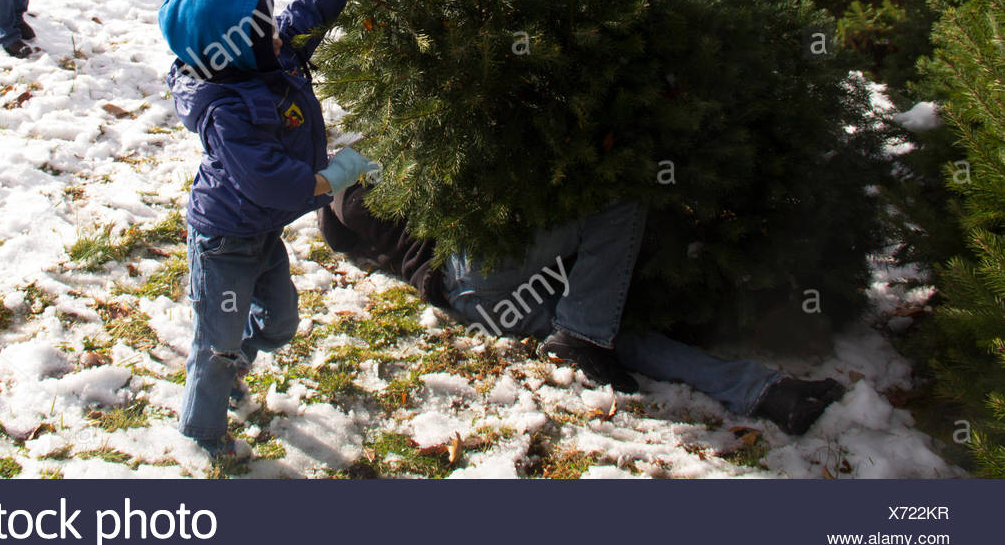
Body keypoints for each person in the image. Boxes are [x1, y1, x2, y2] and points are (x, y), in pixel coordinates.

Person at [318, 183, 846, 436]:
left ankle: (765, 391)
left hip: (480, 305)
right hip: (469, 267)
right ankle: (583, 332)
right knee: (617, 199)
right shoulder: (355, 188)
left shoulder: (364, 210)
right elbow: (346, 207)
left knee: (610, 330)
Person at [158, 0, 376, 459]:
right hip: (224, 240)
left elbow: (304, 19)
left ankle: (237, 360)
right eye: (265, 30)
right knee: (215, 346)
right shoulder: (226, 112)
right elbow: (270, 181)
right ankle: (202, 434)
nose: (279, 35)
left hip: (261, 234)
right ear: (234, 48)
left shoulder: (259, 56)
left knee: (280, 323)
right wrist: (331, 178)